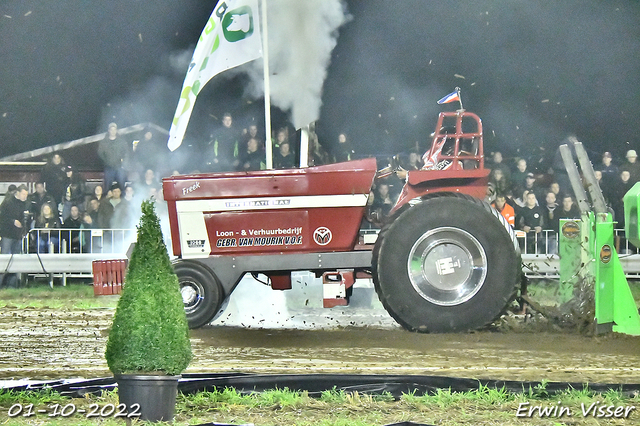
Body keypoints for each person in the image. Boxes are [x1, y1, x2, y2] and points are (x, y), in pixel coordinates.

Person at [98, 122, 130, 191]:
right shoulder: (104, 142)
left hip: (119, 166)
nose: (113, 131)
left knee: (122, 185)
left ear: (116, 130)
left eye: (114, 129)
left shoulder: (121, 142)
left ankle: (123, 200)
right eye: (111, 129)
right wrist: (107, 162)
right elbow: (100, 153)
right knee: (107, 187)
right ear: (109, 130)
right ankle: (106, 200)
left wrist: (123, 163)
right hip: (108, 168)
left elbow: (126, 153)